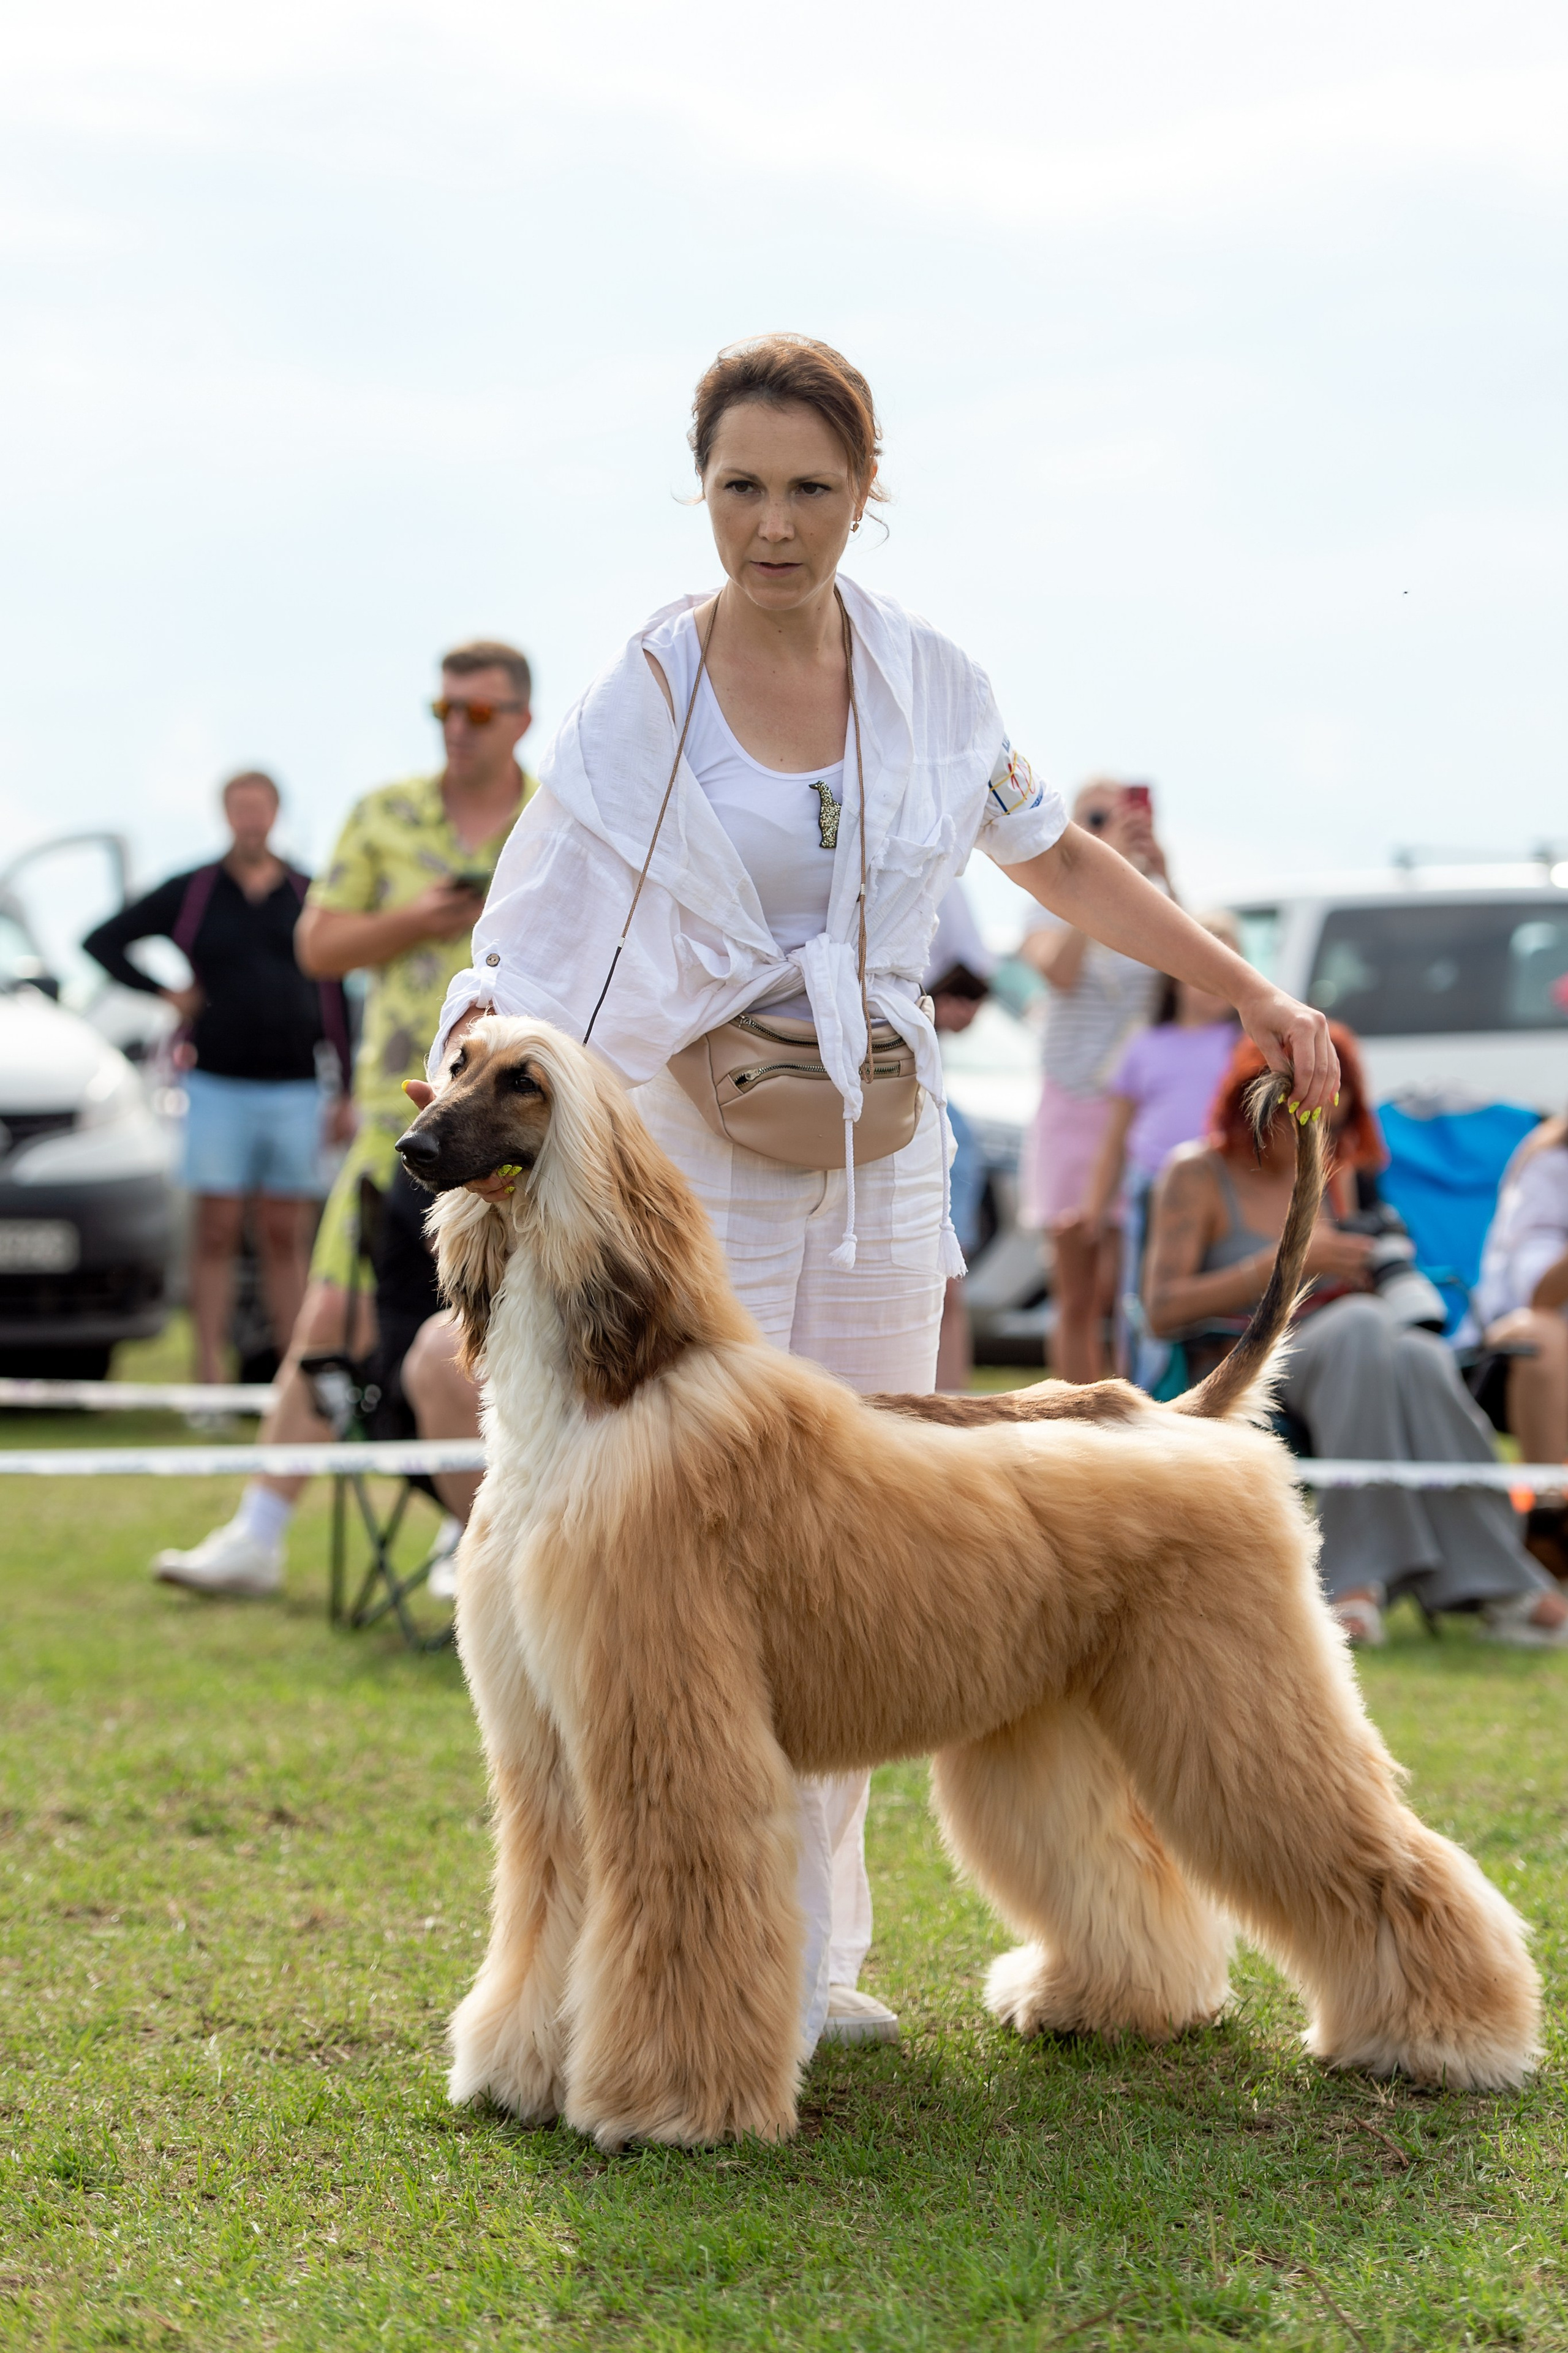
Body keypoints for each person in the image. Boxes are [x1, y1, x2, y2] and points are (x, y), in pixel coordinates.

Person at [418, 334, 1337, 2059]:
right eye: (741, 489)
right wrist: (473, 1046)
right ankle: (709, 1965)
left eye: (811, 491)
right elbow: (540, 904)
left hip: (885, 1165)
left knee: (864, 1568)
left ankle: (818, 1961)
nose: (773, 527)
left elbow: (1055, 859)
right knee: (706, 1589)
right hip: (706, 1176)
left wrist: (1247, 992)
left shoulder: (932, 681)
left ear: (868, 490)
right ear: (703, 492)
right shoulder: (645, 693)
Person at [152, 642, 537, 1596]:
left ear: (522, 719)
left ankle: (477, 1534)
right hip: (391, 1122)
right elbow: (316, 945)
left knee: (498, 1333)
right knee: (328, 1317)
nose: (457, 727)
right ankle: (259, 1530)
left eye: (479, 713)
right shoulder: (385, 814)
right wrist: (418, 920)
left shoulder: (556, 819)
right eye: (444, 708)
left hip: (523, 1132)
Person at [1142, 1025, 1567, 1649]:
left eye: (1333, 1119)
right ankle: (1357, 1579)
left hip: (1345, 1349)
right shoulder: (1197, 1172)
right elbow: (1160, 1311)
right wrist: (1282, 1263)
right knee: (1365, 1328)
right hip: (1238, 1360)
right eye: (1302, 1116)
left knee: (1419, 1350)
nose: (1319, 1134)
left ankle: (1499, 1582)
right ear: (1251, 1100)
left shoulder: (1335, 1171)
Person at [83, 771, 352, 1389]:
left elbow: (337, 992)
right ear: (225, 815)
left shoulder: (306, 891)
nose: (250, 819)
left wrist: (347, 1089)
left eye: (259, 808)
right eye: (239, 808)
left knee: (287, 1234)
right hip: (215, 1083)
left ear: (275, 813)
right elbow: (102, 940)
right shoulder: (195, 891)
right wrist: (165, 992)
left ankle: (294, 1382)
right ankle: (208, 1378)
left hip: (295, 1086)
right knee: (216, 1230)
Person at [1017, 779, 1169, 1383]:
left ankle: (1117, 1408)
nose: (1109, 828)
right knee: (1077, 1290)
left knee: (1120, 1285)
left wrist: (1162, 876)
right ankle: (1075, 1414)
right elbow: (1056, 970)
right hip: (1072, 1104)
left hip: (1132, 1111)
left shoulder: (1150, 899)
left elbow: (1185, 983)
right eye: (1094, 819)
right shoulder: (1041, 904)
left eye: (1119, 817)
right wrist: (1090, 879)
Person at [1064, 913, 1243, 1377]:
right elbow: (1115, 1140)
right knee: (1140, 1296)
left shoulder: (1243, 1047)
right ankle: (1144, 1388)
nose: (1210, 984)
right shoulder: (1144, 1045)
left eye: (1225, 970)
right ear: (1175, 976)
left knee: (1211, 1296)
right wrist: (1094, 1207)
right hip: (1149, 1192)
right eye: (1200, 970)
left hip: (1220, 1192)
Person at [1474, 1113, 1568, 1575]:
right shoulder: (1548, 1165)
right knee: (1543, 1336)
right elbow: (1541, 1294)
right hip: (1511, 1352)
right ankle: (1551, 1525)